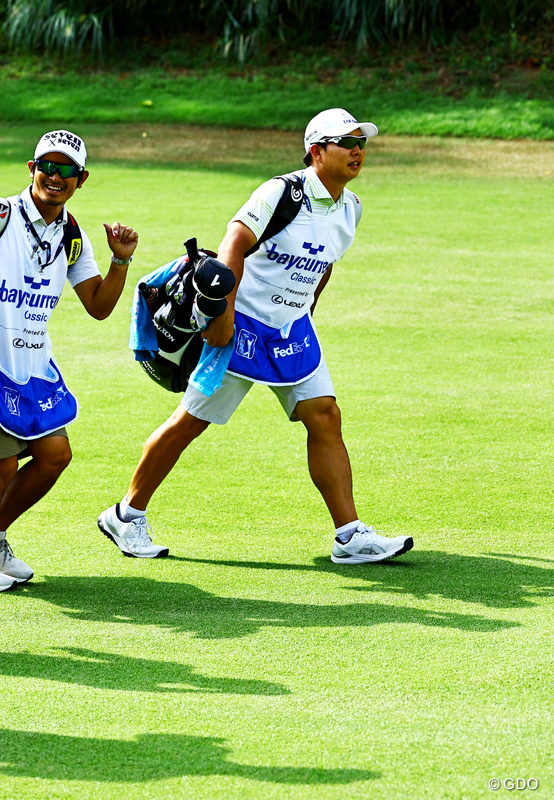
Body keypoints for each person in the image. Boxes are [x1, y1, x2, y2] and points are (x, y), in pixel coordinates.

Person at [98, 108, 414, 565]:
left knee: (325, 415)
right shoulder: (280, 192)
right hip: (240, 324)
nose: (357, 151)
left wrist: (307, 311)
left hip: (291, 329)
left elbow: (323, 266)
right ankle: (125, 515)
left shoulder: (352, 208)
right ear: (316, 151)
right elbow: (233, 245)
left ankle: (349, 536)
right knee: (191, 421)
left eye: (361, 143)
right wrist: (221, 316)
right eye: (346, 143)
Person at [0, 130, 139, 591]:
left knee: (54, 455)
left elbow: (98, 305)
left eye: (67, 170)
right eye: (47, 166)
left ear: (82, 179)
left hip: (32, 364)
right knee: (1, 465)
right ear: (32, 169)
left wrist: (120, 261)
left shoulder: (72, 234)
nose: (55, 176)